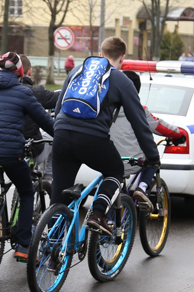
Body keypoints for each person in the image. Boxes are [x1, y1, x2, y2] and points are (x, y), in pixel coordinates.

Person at [52, 36, 158, 234]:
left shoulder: (77, 71)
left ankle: (51, 250)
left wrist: (60, 137)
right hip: (92, 139)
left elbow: (58, 109)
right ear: (122, 58)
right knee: (115, 172)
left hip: (61, 134)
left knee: (58, 198)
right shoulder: (121, 80)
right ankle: (98, 214)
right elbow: (139, 123)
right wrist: (153, 156)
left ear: (100, 54)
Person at [0, 51, 56, 262]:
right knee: (27, 191)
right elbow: (44, 120)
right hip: (11, 153)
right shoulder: (23, 92)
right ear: (20, 71)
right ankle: (23, 246)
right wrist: (61, 135)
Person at [111, 70, 188, 210]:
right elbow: (161, 127)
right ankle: (142, 187)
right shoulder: (139, 110)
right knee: (153, 158)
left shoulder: (106, 109)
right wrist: (179, 134)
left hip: (110, 162)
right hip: (132, 162)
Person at [19, 54, 58, 183]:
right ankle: (48, 177)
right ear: (29, 71)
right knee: (57, 136)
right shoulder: (36, 93)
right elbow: (59, 99)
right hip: (29, 149)